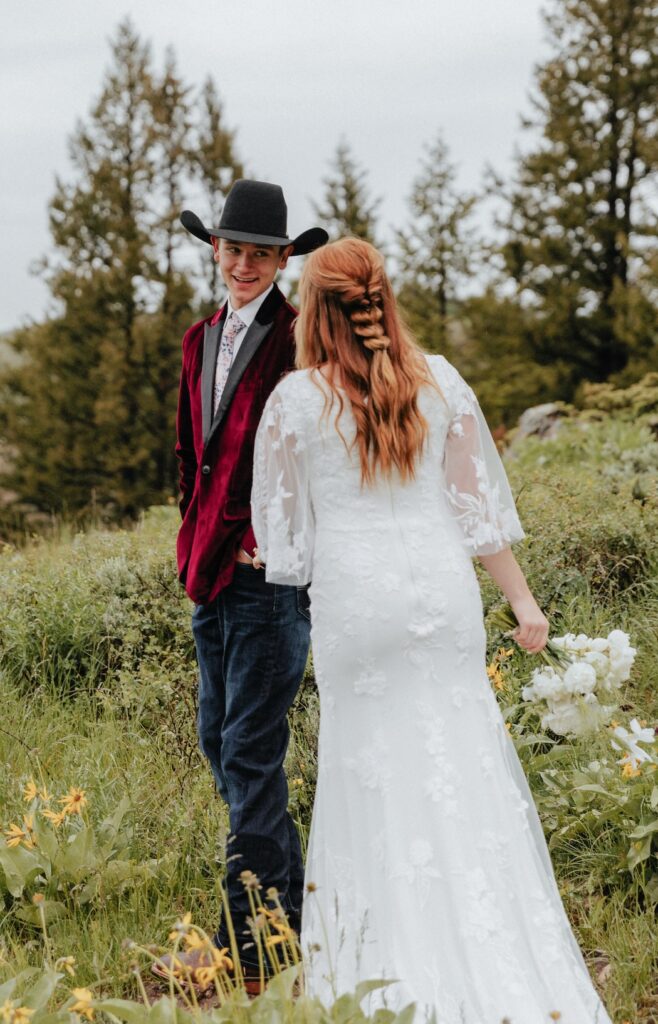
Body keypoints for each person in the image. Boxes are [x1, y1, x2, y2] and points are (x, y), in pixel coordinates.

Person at [251, 238, 612, 1022]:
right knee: (465, 765)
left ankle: (381, 975)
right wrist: (525, 606)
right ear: (383, 299)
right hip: (443, 603)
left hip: (358, 607)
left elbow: (287, 549)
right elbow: (478, 517)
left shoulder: (295, 401)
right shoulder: (440, 380)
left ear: (313, 311)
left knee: (368, 777)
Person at [163, 179, 328, 988]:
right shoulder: (199, 340)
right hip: (209, 576)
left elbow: (322, 449)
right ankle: (292, 916)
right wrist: (191, 532)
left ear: (282, 261)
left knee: (250, 754)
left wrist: (280, 538)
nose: (244, 265)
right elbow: (190, 453)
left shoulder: (301, 341)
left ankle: (253, 954)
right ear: (216, 252)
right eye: (233, 250)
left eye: (261, 254)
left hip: (268, 582)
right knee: (217, 741)